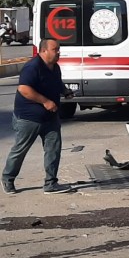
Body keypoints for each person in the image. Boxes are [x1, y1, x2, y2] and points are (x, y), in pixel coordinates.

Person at [3, 38, 75, 195]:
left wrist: (65, 91)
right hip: (29, 118)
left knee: (53, 149)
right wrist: (45, 101)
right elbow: (24, 89)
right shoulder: (32, 67)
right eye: (55, 49)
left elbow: (57, 83)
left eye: (58, 49)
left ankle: (51, 183)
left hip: (50, 117)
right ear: (43, 51)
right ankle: (8, 178)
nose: (58, 52)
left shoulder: (54, 67)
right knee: (20, 149)